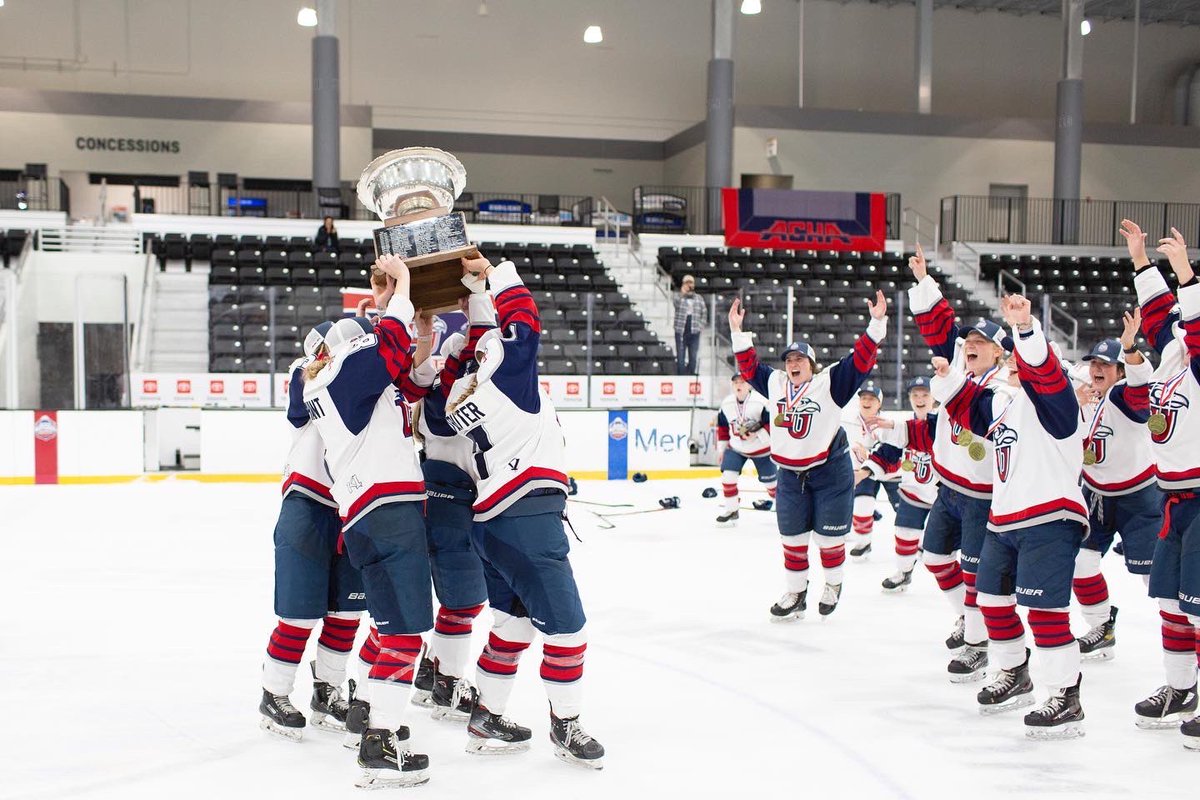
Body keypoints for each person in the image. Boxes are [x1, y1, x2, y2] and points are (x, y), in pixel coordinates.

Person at [444, 253, 605, 769]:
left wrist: (473, 297)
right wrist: (497, 273)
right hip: (526, 522)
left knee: (512, 626)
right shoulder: (509, 377)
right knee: (568, 629)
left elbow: (490, 338)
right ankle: (567, 723)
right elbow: (524, 320)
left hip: (493, 523)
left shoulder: (463, 397)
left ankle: (487, 716)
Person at [302, 254, 434, 788]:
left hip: (367, 515)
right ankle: (379, 743)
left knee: (388, 627)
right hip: (387, 512)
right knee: (405, 630)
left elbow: (405, 379)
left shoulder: (338, 383)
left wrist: (412, 328)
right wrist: (399, 289)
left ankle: (368, 714)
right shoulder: (345, 373)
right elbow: (387, 353)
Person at [932, 293, 1087, 740]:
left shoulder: (1057, 405)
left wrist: (1024, 328)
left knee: (1043, 610)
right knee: (992, 601)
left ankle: (1065, 695)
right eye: (1015, 363)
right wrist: (948, 379)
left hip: (1050, 519)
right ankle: (1014, 671)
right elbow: (968, 407)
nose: (1019, 367)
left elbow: (1045, 373)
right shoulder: (1005, 404)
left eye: (1027, 363)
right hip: (1003, 522)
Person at [728, 288, 888, 621]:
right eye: (789, 359)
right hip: (789, 475)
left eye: (800, 359)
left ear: (811, 365)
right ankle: (796, 592)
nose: (793, 363)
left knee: (829, 540)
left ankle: (832, 584)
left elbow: (858, 362)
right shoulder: (775, 383)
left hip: (830, 472)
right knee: (793, 538)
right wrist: (737, 332)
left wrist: (875, 325)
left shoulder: (829, 383)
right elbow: (749, 367)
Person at [259, 321, 368, 743]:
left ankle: (328, 692)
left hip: (352, 508)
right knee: (299, 611)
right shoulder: (306, 374)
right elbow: (303, 388)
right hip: (307, 504)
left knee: (345, 613)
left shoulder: (369, 389)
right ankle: (275, 692)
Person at [905, 243, 1011, 682]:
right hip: (949, 489)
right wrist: (923, 281)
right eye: (969, 341)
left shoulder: (1004, 387)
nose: (970, 345)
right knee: (933, 557)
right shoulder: (960, 373)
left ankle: (977, 642)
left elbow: (985, 420)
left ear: (998, 353)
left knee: (972, 570)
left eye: (980, 343)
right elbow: (940, 328)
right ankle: (969, 622)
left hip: (982, 496)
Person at [402, 293, 496, 720]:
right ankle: (448, 683)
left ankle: (431, 672)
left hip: (442, 501)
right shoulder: (443, 396)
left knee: (454, 601)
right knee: (462, 602)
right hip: (450, 504)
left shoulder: (448, 390)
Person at [1126, 220, 1200, 745]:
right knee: (1170, 601)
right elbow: (1160, 315)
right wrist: (1140, 261)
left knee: (1198, 602)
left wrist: (1185, 274)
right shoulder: (1173, 357)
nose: (1171, 327)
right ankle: (1180, 687)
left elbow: (1187, 323)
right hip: (1173, 497)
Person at [1068, 314, 1159, 663]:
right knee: (1081, 562)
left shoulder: (1124, 395)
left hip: (1138, 498)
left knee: (1153, 578)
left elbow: (1141, 389)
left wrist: (1130, 349)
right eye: (1095, 363)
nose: (1097, 369)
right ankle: (1101, 626)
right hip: (1095, 494)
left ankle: (1187, 637)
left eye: (1107, 364)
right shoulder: (1088, 395)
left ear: (1120, 372)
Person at [855, 376, 940, 592]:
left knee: (939, 552)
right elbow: (888, 453)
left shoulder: (945, 421)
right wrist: (864, 471)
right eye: (915, 395)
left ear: (934, 398)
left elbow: (930, 430)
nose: (919, 399)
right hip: (913, 489)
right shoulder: (901, 426)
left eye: (925, 394)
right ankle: (904, 572)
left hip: (944, 493)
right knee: (904, 531)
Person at [714, 373, 777, 526]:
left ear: (749, 385)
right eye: (735, 382)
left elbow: (773, 424)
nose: (738, 385)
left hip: (762, 448)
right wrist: (722, 449)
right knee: (728, 477)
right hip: (736, 448)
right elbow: (722, 427)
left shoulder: (761, 401)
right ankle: (732, 510)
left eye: (742, 382)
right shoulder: (726, 404)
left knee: (771, 484)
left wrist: (758, 433)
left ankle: (783, 508)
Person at [847, 381, 900, 558]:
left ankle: (918, 542)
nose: (867, 401)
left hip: (889, 472)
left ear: (879, 403)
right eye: (863, 397)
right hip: (863, 471)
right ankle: (863, 542)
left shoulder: (887, 423)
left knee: (904, 509)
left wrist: (868, 453)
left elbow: (890, 450)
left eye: (872, 398)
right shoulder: (847, 419)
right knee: (862, 504)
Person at [673, 274, 706, 374]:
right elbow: (675, 305)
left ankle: (691, 374)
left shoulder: (699, 298)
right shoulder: (678, 297)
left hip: (694, 331)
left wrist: (700, 326)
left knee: (693, 356)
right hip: (681, 330)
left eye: (690, 283)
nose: (689, 285)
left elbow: (704, 313)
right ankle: (682, 376)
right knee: (680, 356)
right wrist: (682, 294)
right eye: (686, 283)